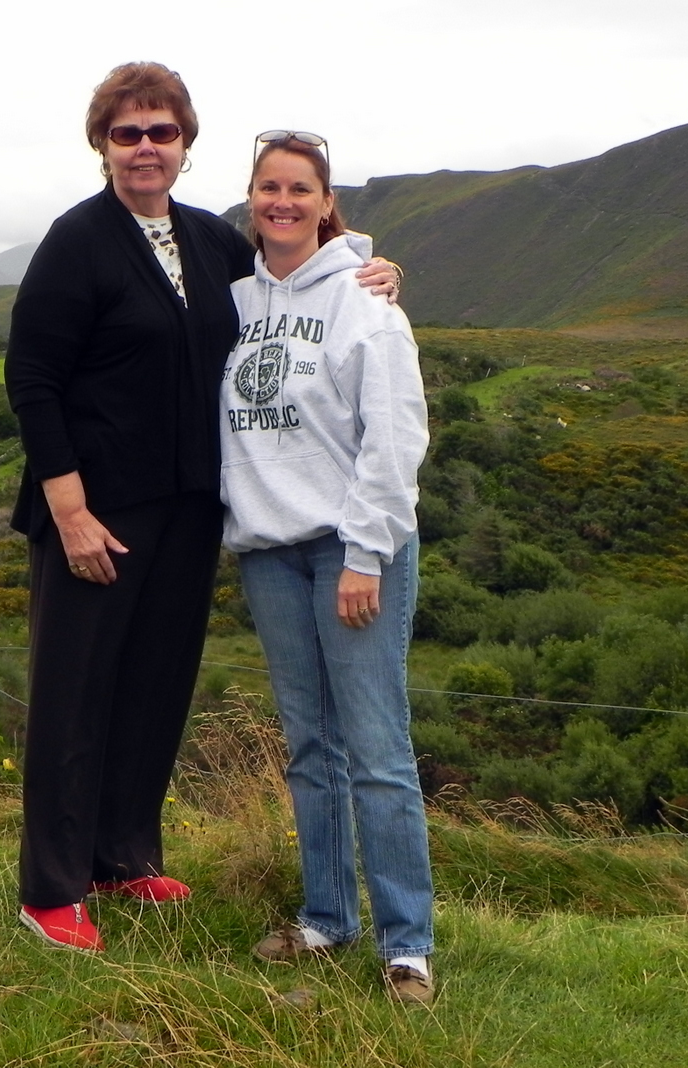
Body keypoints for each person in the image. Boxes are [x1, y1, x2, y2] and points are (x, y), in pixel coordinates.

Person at [5, 64, 399, 954]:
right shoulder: (77, 241)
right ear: (102, 144)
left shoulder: (209, 240)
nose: (146, 147)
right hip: (97, 511)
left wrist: (373, 269)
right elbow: (32, 378)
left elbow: (296, 271)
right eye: (127, 133)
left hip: (190, 509)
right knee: (74, 695)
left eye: (162, 132)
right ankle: (52, 889)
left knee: (152, 687)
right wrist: (68, 509)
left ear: (185, 144)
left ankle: (122, 857)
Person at [219, 131, 435, 1003]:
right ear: (251, 199)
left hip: (351, 551)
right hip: (270, 552)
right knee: (311, 748)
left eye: (299, 188)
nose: (282, 202)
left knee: (377, 749)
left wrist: (366, 554)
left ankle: (406, 945)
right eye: (268, 187)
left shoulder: (364, 300)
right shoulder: (236, 303)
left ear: (325, 202)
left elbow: (395, 436)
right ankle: (325, 918)